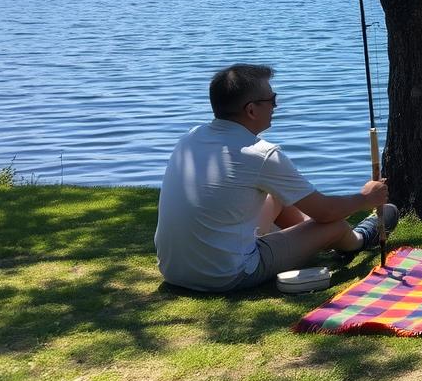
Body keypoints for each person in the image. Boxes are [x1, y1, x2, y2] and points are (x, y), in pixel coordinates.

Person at [154, 64, 397, 292]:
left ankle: (311, 236)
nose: (275, 106)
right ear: (251, 110)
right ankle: (358, 239)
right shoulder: (261, 154)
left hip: (173, 270)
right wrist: (366, 197)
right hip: (228, 274)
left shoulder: (190, 138)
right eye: (272, 100)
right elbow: (325, 212)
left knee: (279, 196)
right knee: (334, 224)